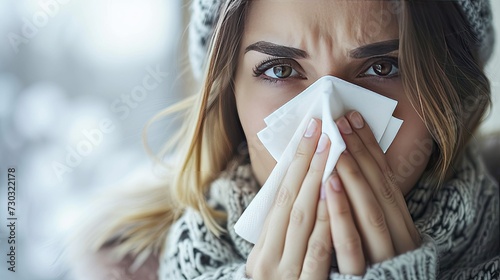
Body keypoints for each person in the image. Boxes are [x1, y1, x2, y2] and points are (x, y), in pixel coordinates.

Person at [70, 0, 499, 279]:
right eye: (279, 69)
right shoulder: (126, 266)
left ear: (451, 92)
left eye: (383, 68)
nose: (330, 126)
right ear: (229, 94)